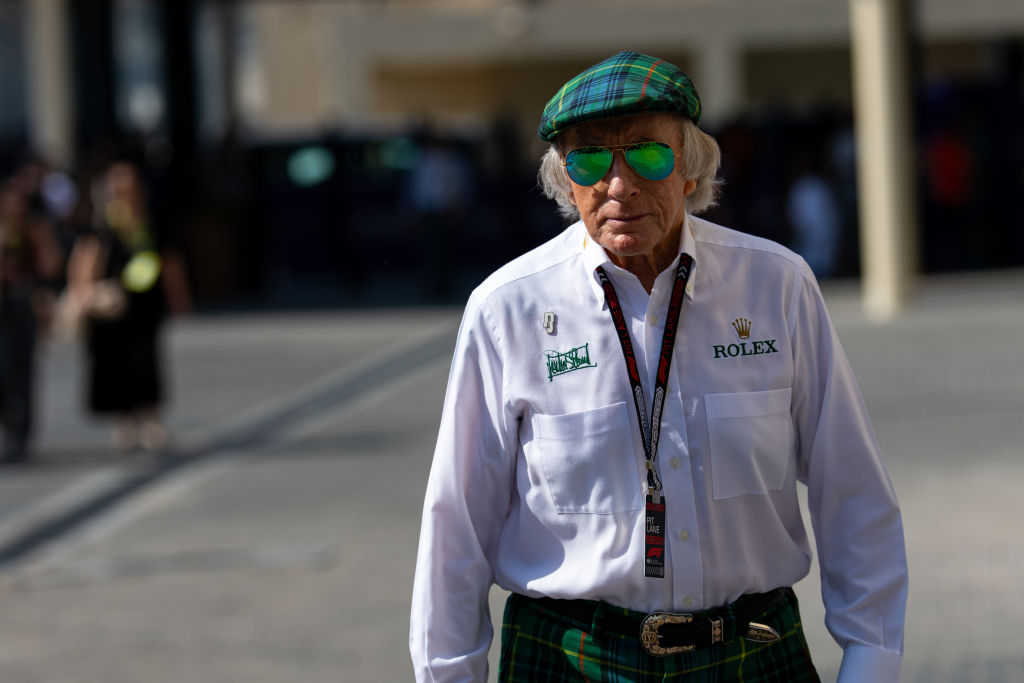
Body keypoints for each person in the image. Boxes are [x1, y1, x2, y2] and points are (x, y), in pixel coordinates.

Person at [410, 52, 907, 682]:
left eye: (647, 154)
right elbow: (456, 525)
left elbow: (852, 491)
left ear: (691, 168)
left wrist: (871, 661)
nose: (619, 184)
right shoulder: (508, 308)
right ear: (566, 180)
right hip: (570, 661)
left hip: (751, 652)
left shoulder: (776, 286)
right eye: (590, 159)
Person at [64, 161, 190, 453]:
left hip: (145, 303)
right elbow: (85, 256)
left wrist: (179, 295)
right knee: (113, 364)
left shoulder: (149, 221)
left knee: (146, 361)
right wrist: (82, 293)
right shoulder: (102, 223)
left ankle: (150, 419)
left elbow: (169, 258)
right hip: (111, 305)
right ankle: (124, 421)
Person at [0, 177, 62, 463]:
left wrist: (42, 241)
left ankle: (21, 434)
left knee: (23, 371)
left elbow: (50, 267)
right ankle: (9, 425)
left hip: (24, 304)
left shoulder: (35, 230)